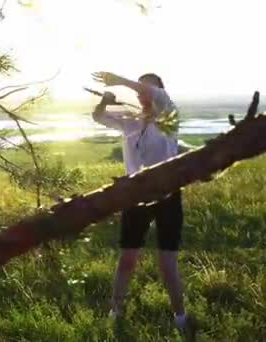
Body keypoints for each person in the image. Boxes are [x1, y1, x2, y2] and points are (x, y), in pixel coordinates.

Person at [90, 71, 195, 340]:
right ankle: (115, 311)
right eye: (141, 89)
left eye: (149, 88)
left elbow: (157, 96)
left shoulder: (169, 115)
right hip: (134, 197)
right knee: (127, 259)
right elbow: (98, 117)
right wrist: (105, 100)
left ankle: (180, 317)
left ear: (159, 92)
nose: (143, 93)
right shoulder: (131, 121)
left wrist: (120, 80)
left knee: (166, 262)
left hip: (168, 196)